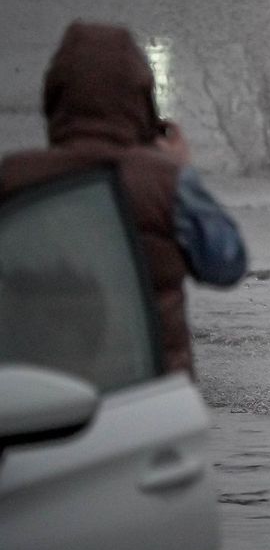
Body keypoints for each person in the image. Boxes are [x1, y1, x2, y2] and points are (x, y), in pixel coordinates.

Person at [0, 21, 247, 375]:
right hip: (150, 395)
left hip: (41, 399)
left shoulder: (13, 177)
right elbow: (226, 264)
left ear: (54, 99)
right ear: (141, 102)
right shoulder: (166, 182)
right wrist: (181, 170)